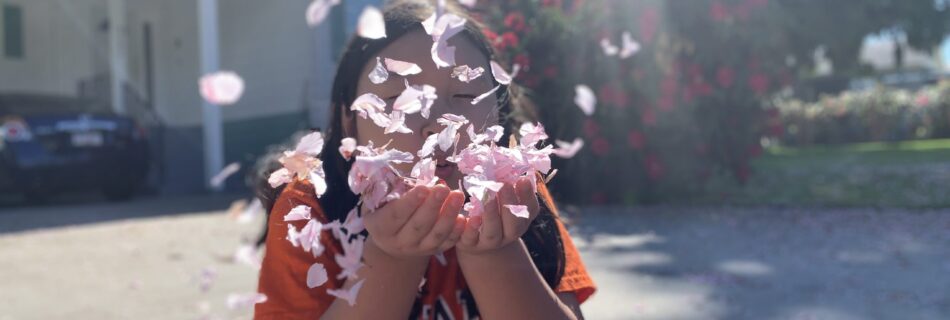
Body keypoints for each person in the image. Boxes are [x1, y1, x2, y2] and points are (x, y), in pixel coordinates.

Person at [253, 1, 595, 318]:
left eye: (464, 94)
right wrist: (392, 257)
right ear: (348, 120)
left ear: (498, 117)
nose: (435, 125)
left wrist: (493, 251)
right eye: (398, 98)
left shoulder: (515, 194)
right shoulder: (312, 206)